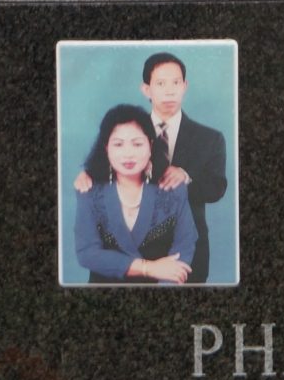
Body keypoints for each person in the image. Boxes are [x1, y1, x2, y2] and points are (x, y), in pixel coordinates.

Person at [75, 51, 228, 285]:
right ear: (146, 89)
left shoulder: (210, 138)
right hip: (121, 262)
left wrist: (185, 177)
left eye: (175, 83)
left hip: (184, 255)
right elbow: (106, 160)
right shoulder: (128, 126)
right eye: (160, 83)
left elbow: (217, 188)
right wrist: (90, 174)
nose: (169, 91)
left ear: (185, 86)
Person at [72, 104, 197, 286]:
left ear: (150, 145)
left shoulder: (173, 189)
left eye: (137, 144)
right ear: (106, 148)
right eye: (118, 144)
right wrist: (148, 268)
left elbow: (184, 246)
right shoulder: (89, 191)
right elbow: (87, 253)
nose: (128, 154)